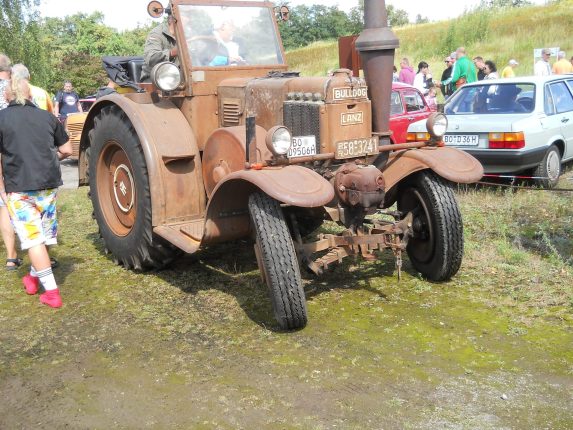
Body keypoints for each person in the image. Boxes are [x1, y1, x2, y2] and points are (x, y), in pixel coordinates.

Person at [0, 77, 72, 307]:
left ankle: (51, 292)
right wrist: (51, 159)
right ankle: (32, 277)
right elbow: (67, 150)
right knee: (45, 236)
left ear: (6, 96)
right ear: (30, 95)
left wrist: (1, 188)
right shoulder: (48, 117)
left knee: (33, 241)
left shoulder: (1, 119)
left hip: (19, 188)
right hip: (48, 186)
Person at [0, 53, 21, 271]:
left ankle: (11, 256)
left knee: (3, 204)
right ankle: (18, 252)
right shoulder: (17, 87)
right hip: (14, 151)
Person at [140, 7, 178, 82]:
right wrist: (172, 52)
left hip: (178, 78)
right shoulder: (156, 33)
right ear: (172, 17)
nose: (189, 20)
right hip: (156, 79)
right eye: (186, 15)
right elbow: (151, 59)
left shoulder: (187, 35)